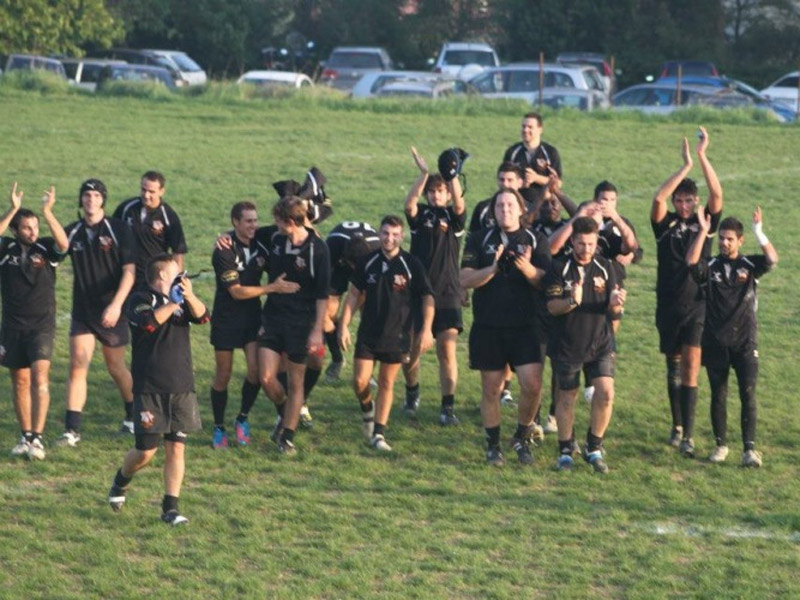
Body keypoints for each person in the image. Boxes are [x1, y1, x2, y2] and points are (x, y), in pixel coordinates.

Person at [107, 254, 209, 525]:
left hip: (181, 385)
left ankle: (170, 508)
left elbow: (203, 317)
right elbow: (149, 323)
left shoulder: (182, 299)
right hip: (150, 388)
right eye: (176, 271)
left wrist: (189, 297)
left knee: (176, 448)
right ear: (163, 275)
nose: (182, 275)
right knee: (146, 451)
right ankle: (121, 480)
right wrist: (173, 303)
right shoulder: (139, 299)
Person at [460, 188, 550, 466]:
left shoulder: (535, 239)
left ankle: (522, 437)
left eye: (510, 205)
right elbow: (465, 279)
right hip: (489, 325)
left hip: (527, 326)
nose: (505, 210)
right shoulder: (479, 239)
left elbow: (546, 281)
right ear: (493, 211)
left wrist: (527, 269)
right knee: (491, 389)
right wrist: (493, 269)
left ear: (521, 209)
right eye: (500, 206)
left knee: (532, 385)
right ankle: (493, 445)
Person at [687, 206, 778, 467]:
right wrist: (704, 232)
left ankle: (749, 450)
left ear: (740, 241)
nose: (724, 243)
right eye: (722, 238)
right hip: (715, 341)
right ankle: (721, 445)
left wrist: (759, 232)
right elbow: (691, 263)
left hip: (745, 341)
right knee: (719, 394)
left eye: (730, 239)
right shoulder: (711, 266)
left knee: (748, 394)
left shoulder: (749, 265)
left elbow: (772, 259)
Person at [652, 127, 723, 456]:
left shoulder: (703, 223)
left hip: (698, 304)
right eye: (679, 200)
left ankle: (688, 437)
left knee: (692, 366)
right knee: (674, 365)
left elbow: (717, 195)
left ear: (695, 201)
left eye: (688, 200)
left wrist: (702, 156)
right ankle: (677, 424)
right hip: (668, 304)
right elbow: (658, 199)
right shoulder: (663, 224)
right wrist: (685, 166)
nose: (683, 205)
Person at [338, 215, 434, 452]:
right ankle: (367, 410)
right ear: (379, 234)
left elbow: (427, 297)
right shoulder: (367, 261)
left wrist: (427, 329)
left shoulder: (411, 264)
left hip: (398, 334)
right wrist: (343, 325)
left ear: (402, 236)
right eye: (385, 233)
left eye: (394, 235)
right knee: (359, 381)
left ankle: (378, 434)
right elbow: (353, 295)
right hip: (369, 333)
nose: (389, 238)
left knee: (386, 382)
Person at [209, 201, 299, 449]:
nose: (254, 225)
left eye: (256, 220)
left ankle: (242, 418)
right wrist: (272, 288)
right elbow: (236, 292)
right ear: (235, 222)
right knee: (223, 374)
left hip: (252, 318)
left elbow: (293, 225)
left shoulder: (261, 239)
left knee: (255, 372)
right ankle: (218, 427)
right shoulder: (224, 250)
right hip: (226, 319)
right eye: (248, 221)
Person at [55, 179, 136, 448]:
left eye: (96, 195)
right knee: (78, 364)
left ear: (103, 200)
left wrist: (116, 305)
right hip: (83, 312)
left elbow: (130, 272)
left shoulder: (118, 229)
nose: (91, 200)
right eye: (87, 195)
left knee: (116, 367)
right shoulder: (73, 231)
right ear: (81, 199)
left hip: (113, 310)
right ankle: (72, 430)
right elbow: (56, 249)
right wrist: (47, 213)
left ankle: (132, 414)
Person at [545, 216, 626, 474]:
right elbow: (552, 307)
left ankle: (594, 447)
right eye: (581, 243)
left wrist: (615, 303)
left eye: (591, 244)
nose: (586, 249)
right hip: (567, 345)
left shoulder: (605, 267)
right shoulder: (559, 268)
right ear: (572, 241)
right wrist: (572, 301)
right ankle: (566, 450)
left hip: (600, 343)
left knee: (606, 393)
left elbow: (614, 306)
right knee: (567, 397)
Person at [0, 183, 68, 460]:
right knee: (20, 382)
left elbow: (64, 244)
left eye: (35, 227)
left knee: (40, 378)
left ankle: (37, 439)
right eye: (27, 228)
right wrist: (12, 209)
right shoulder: (5, 249)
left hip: (41, 326)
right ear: (16, 230)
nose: (33, 232)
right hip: (12, 326)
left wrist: (47, 212)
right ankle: (25, 435)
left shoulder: (47, 248)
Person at [257, 197, 329, 456]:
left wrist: (317, 330)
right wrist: (224, 239)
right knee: (267, 378)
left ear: (289, 222)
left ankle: (287, 436)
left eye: (278, 220)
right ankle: (287, 410)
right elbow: (248, 235)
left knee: (296, 381)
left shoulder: (318, 249)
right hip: (273, 318)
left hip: (301, 323)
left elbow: (322, 294)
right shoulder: (276, 240)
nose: (274, 224)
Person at [403, 146, 465, 425]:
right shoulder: (421, 217)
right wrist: (424, 174)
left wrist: (452, 175)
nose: (436, 195)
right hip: (419, 292)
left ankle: (447, 407)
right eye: (432, 191)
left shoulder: (454, 218)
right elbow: (409, 205)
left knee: (447, 351)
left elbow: (461, 206)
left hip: (448, 292)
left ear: (448, 194)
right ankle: (412, 390)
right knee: (412, 350)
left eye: (441, 191)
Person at [322, 220, 380, 382]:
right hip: (338, 266)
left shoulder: (376, 251)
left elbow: (361, 293)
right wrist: (338, 325)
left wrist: (344, 324)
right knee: (326, 314)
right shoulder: (331, 249)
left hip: (363, 265)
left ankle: (367, 371)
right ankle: (337, 359)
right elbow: (322, 288)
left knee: (370, 317)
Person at [113, 171, 188, 287]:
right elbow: (111, 235)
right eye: (143, 190)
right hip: (125, 276)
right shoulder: (126, 209)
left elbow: (178, 252)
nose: (146, 195)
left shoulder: (168, 217)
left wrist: (177, 283)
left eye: (151, 192)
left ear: (161, 191)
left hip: (152, 279)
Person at [502, 112, 562, 193]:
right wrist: (522, 183)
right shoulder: (512, 152)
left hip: (543, 199)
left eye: (530, 127)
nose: (525, 130)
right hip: (518, 198)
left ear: (540, 130)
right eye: (523, 126)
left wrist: (536, 178)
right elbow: (504, 180)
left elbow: (558, 183)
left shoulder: (550, 152)